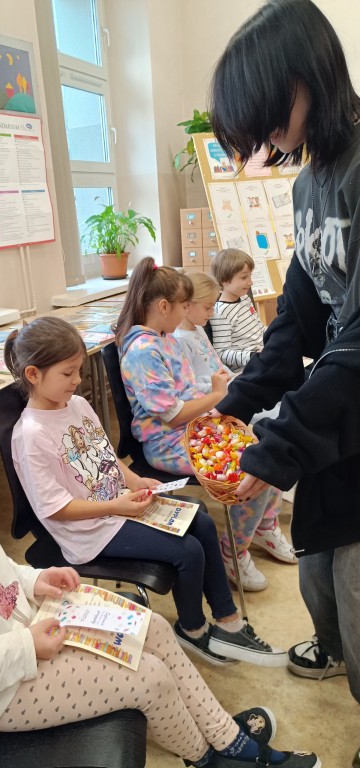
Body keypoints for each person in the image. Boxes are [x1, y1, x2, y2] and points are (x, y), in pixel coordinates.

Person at [0, 381, 322, 768]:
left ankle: (225, 738)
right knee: (149, 678)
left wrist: (33, 579)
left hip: (33, 626)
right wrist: (24, 647)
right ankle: (210, 757)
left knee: (152, 628)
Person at [209, 1, 360, 762]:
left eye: (267, 114)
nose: (264, 137)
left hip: (353, 404)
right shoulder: (308, 187)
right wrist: (238, 404)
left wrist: (274, 441)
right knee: (319, 559)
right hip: (333, 409)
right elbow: (299, 316)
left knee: (359, 578)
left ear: (306, 78)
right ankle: (330, 648)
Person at [5, 315, 285, 669]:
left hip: (117, 506)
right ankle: (193, 630)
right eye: (67, 373)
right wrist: (117, 506)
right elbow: (54, 509)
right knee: (187, 551)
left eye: (79, 371)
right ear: (33, 374)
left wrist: (132, 481)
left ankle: (228, 622)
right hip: (89, 531)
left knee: (199, 518)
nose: (77, 381)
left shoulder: (75, 405)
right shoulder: (31, 435)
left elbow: (105, 453)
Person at [114, 258, 290, 662]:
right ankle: (234, 551)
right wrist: (215, 398)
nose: (186, 314)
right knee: (249, 471)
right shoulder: (142, 349)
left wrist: (216, 396)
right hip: (167, 441)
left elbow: (189, 389)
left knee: (268, 455)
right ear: (164, 307)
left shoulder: (166, 338)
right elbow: (171, 413)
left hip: (193, 428)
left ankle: (249, 536)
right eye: (182, 306)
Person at [174, 270, 296, 591]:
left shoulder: (198, 331)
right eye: (208, 307)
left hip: (226, 401)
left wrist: (236, 383)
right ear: (185, 307)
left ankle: (265, 524)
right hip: (206, 415)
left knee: (273, 438)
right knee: (253, 462)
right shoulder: (178, 341)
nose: (212, 314)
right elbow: (189, 389)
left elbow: (218, 367)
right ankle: (235, 547)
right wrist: (222, 388)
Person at [209, 249, 266, 372]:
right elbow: (222, 353)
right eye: (244, 277)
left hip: (264, 356)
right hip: (248, 367)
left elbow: (259, 328)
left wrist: (273, 336)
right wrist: (252, 356)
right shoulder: (221, 313)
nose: (250, 282)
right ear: (224, 279)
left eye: (250, 275)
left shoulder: (245, 298)